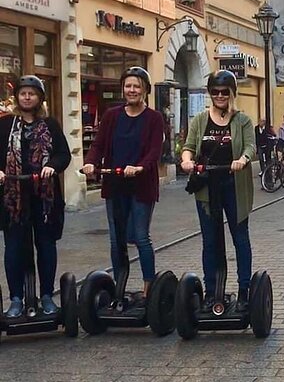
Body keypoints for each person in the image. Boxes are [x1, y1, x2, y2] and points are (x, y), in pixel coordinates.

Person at [83, 67, 164, 299]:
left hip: (141, 186)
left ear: (145, 90)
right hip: (114, 184)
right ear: (123, 89)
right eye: (128, 86)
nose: (132, 90)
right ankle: (120, 285)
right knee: (116, 239)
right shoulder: (111, 115)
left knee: (140, 236)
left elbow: (154, 151)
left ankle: (150, 286)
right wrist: (90, 162)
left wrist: (140, 167)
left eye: (137, 86)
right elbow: (98, 145)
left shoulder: (154, 118)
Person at [181, 69, 256, 310]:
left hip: (234, 185)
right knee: (210, 241)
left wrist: (243, 160)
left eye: (225, 92)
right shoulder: (200, 120)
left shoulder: (242, 120)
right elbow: (189, 146)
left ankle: (245, 289)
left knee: (240, 238)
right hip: (207, 186)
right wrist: (186, 160)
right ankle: (211, 291)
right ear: (210, 94)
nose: (220, 96)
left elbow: (250, 146)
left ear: (232, 93)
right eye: (215, 92)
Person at [0, 75, 71, 317]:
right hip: (14, 198)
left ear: (39, 97)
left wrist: (52, 165)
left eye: (32, 93)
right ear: (17, 97)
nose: (27, 97)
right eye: (23, 93)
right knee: (14, 248)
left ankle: (48, 295)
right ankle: (17, 298)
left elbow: (64, 154)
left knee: (46, 245)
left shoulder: (50, 125)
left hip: (44, 198)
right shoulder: (5, 124)